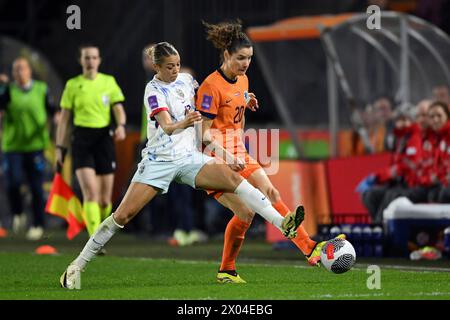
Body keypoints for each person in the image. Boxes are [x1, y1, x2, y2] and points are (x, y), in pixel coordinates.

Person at [59, 42, 303, 290]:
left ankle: (283, 224)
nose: (175, 70)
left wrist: (242, 100)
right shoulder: (152, 90)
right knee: (123, 216)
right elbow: (167, 126)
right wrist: (185, 122)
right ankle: (77, 265)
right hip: (160, 161)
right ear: (156, 67)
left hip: (188, 157)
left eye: (177, 64)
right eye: (169, 66)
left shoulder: (187, 81)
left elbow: (211, 100)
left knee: (234, 178)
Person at [196, 20, 344, 283]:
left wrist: (245, 100)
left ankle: (309, 248)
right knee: (246, 212)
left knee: (271, 192)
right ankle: (227, 269)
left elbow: (234, 109)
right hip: (215, 158)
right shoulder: (210, 86)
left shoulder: (242, 79)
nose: (246, 63)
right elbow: (204, 135)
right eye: (241, 58)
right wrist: (227, 156)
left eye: (250, 58)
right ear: (227, 54)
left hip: (239, 151)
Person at [55, 45, 127, 236]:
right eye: (87, 58)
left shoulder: (108, 82)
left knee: (104, 200)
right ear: (81, 60)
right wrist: (59, 147)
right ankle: (95, 238)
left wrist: (121, 125)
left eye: (94, 58)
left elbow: (118, 109)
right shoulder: (72, 85)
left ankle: (101, 230)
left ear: (99, 60)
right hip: (81, 140)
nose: (90, 61)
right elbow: (64, 120)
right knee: (91, 193)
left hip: (104, 139)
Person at [0, 57, 58, 240]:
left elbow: (52, 110)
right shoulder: (8, 91)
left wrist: (57, 119)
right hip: (13, 146)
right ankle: (18, 212)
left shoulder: (41, 89)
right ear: (13, 73)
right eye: (16, 69)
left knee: (36, 187)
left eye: (22, 69)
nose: (19, 72)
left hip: (36, 146)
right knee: (13, 183)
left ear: (29, 71)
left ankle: (38, 224)